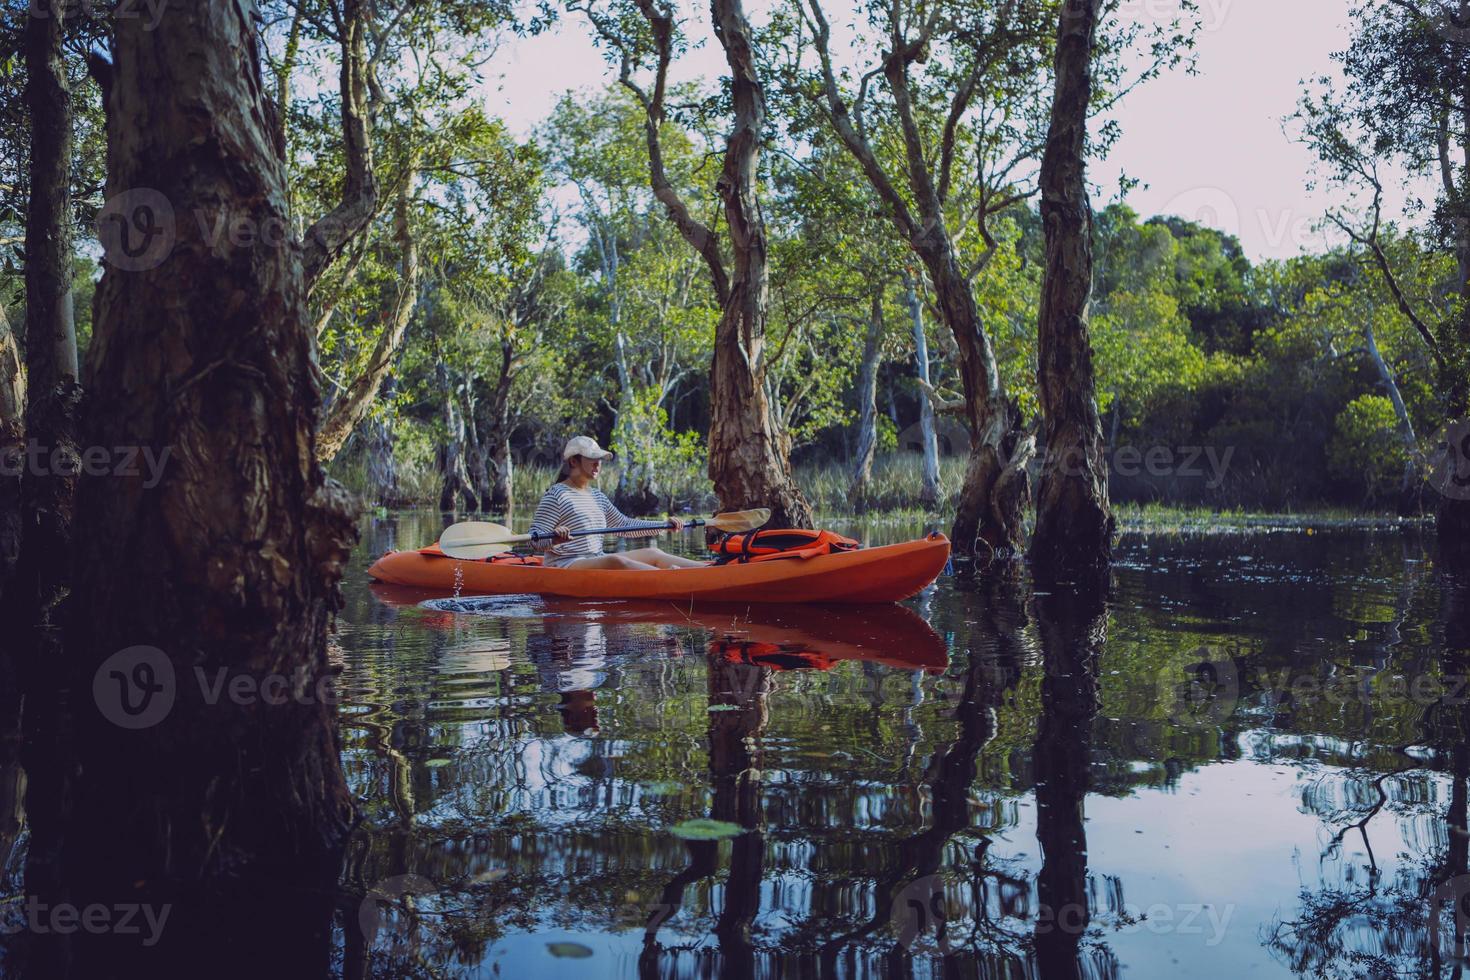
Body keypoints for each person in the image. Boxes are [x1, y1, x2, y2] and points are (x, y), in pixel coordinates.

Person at [529, 436, 707, 570]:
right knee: (616, 560)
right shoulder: (556, 495)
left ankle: (709, 571)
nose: (598, 464)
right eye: (592, 458)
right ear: (573, 461)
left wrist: (663, 525)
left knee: (653, 553)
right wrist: (554, 538)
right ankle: (674, 579)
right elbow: (535, 539)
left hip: (597, 557)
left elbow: (624, 525)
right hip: (565, 563)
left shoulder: (597, 496)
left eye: (599, 459)